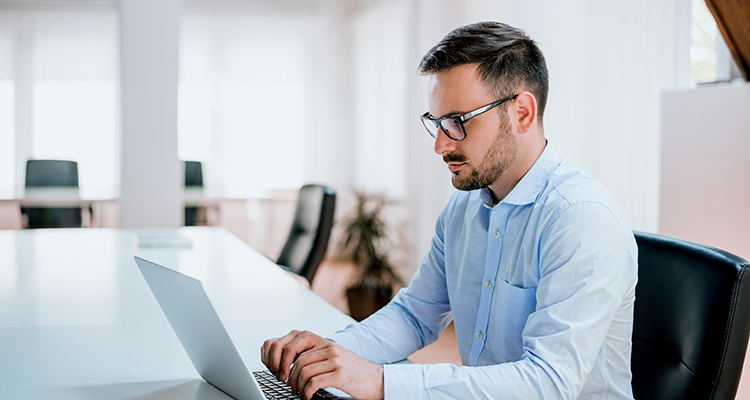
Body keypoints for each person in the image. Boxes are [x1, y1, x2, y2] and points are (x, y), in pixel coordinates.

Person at [261, 21, 638, 400]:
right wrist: (329, 354)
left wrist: (378, 381)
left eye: (457, 122)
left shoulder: (580, 220)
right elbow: (415, 315)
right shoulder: (464, 206)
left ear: (522, 112)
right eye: (437, 123)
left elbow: (548, 383)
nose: (441, 145)